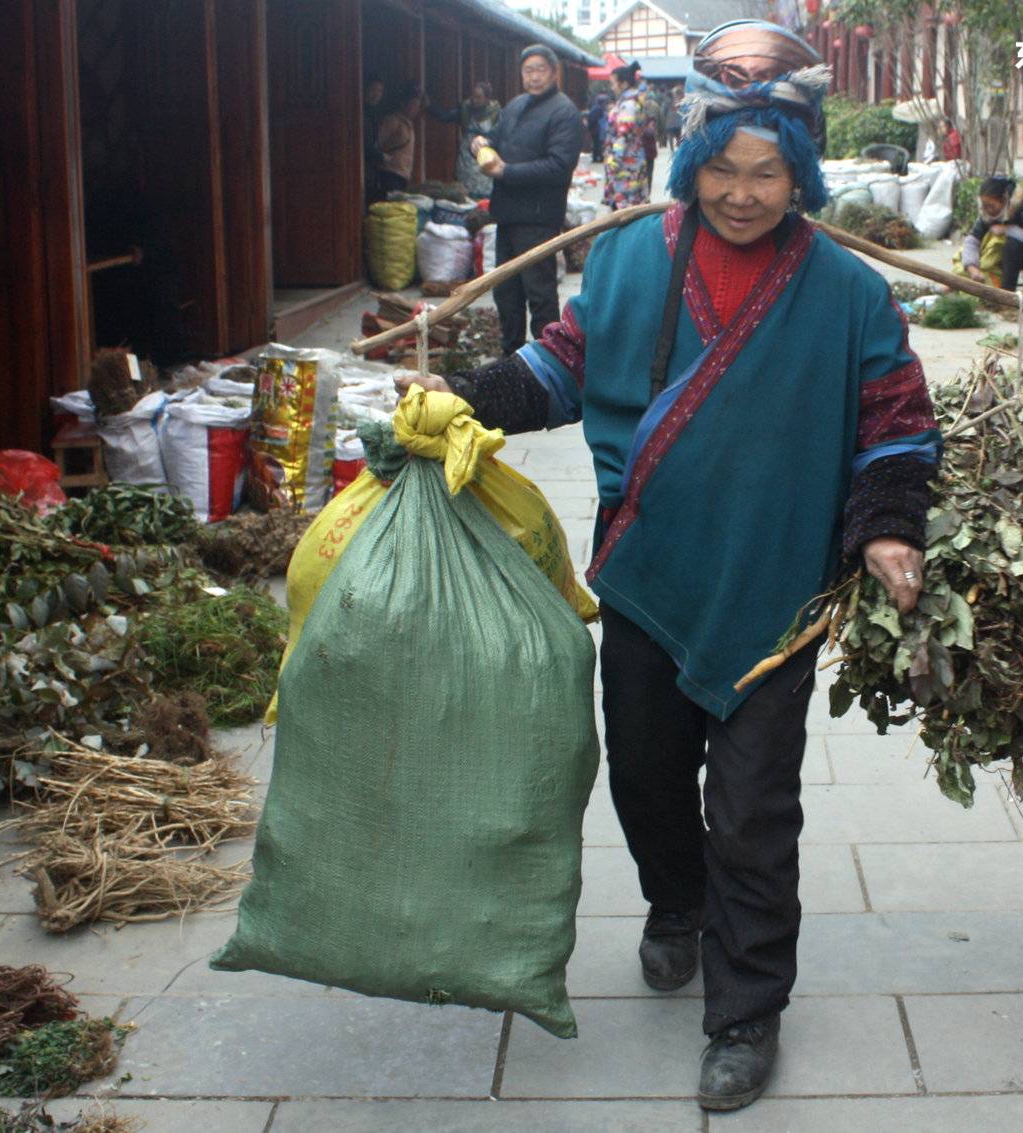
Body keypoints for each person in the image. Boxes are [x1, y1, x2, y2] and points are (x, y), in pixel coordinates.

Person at [398, 18, 939, 1112]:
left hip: (774, 591)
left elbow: (894, 419)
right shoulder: (634, 260)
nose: (743, 194)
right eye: (724, 171)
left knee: (751, 808)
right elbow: (560, 365)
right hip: (643, 572)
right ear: (692, 165)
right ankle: (672, 900)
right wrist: (467, 402)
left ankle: (744, 1011)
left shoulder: (847, 292)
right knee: (643, 774)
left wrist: (886, 524)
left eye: (768, 172)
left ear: (801, 172)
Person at [470, 45, 583, 355]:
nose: (533, 77)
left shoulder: (564, 112)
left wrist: (507, 171)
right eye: (528, 70)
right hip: (506, 216)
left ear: (554, 73)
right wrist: (481, 144)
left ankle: (551, 362)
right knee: (506, 293)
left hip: (537, 218)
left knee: (540, 294)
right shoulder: (515, 106)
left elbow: (559, 167)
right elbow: (497, 141)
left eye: (540, 70)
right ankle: (512, 358)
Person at [961, 175, 1023, 291]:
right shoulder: (986, 214)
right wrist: (972, 267)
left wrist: (1007, 229)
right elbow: (972, 241)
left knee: (1012, 245)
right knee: (969, 251)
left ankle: (1006, 292)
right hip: (1009, 259)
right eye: (984, 206)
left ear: (1004, 199)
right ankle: (955, 285)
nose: (988, 210)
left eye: (991, 206)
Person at [429, 81, 501, 198]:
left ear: (486, 99)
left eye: (478, 97)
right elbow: (446, 116)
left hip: (485, 158)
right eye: (473, 96)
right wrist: (429, 106)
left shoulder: (495, 113)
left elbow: (502, 134)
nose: (474, 100)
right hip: (467, 160)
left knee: (485, 195)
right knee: (465, 193)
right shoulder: (465, 110)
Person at [603, 64, 651, 209]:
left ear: (623, 83)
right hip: (632, 161)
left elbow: (622, 135)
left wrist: (614, 161)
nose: (612, 88)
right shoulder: (632, 102)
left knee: (625, 208)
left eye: (613, 84)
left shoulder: (628, 105)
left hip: (625, 165)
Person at [375, 85, 425, 198]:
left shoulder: (409, 124)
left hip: (403, 175)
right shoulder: (392, 120)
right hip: (389, 173)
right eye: (413, 105)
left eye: (417, 106)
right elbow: (378, 143)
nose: (416, 109)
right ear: (403, 104)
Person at [362, 74, 387, 203]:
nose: (376, 94)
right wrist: (380, 156)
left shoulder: (374, 113)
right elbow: (364, 144)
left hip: (372, 170)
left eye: (379, 91)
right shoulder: (359, 113)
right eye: (373, 90)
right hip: (361, 167)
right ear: (364, 89)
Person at [587, 87, 612, 162]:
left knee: (596, 144)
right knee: (597, 144)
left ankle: (596, 157)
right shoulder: (599, 109)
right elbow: (596, 120)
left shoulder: (595, 107)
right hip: (597, 130)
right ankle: (598, 157)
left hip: (595, 129)